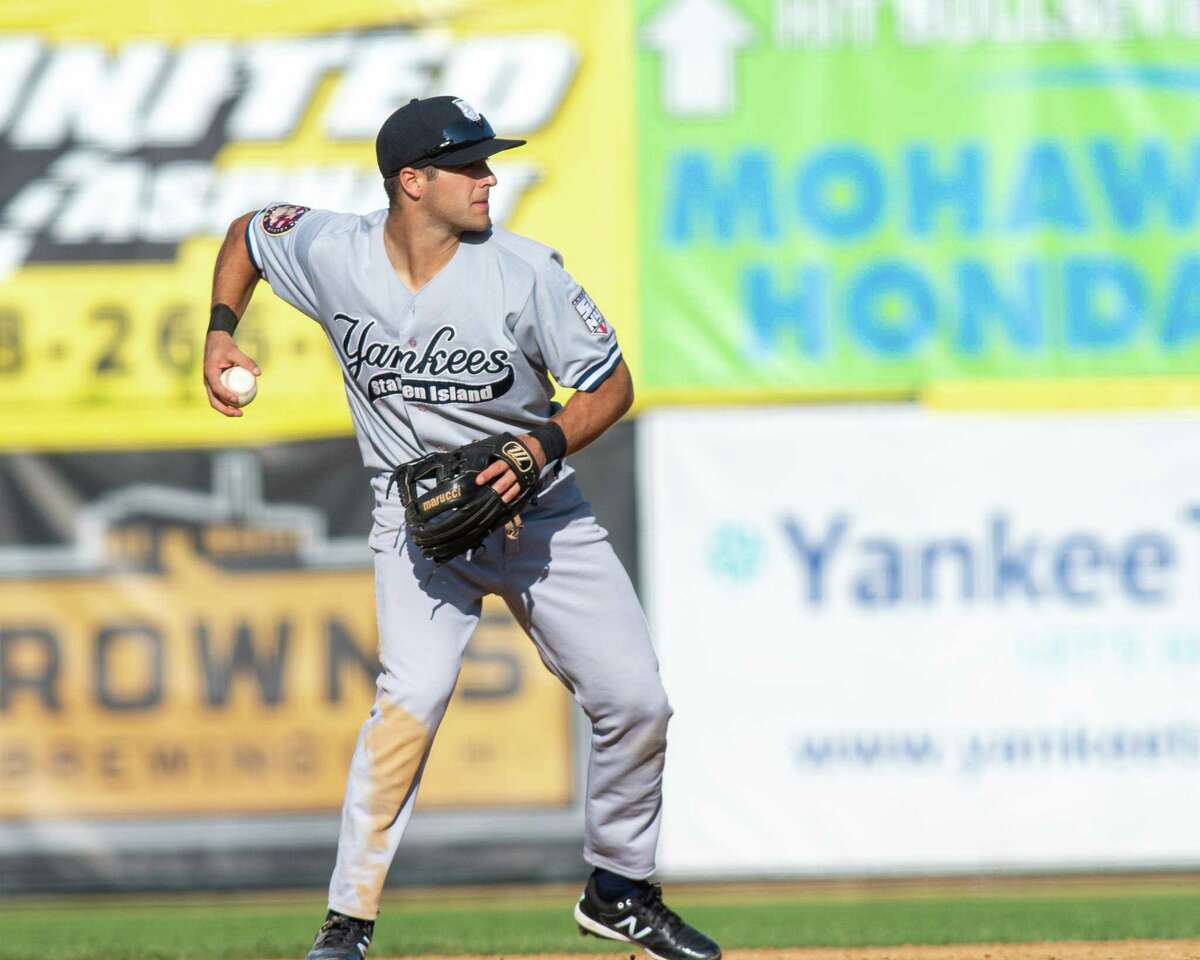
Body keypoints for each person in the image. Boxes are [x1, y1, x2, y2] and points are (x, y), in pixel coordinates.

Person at [202, 95, 721, 960]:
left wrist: (541, 443)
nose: (489, 178)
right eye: (469, 165)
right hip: (415, 521)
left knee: (636, 703)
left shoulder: (526, 274)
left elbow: (611, 383)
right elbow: (247, 234)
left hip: (541, 512)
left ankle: (620, 887)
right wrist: (220, 333)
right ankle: (346, 926)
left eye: (488, 162)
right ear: (413, 182)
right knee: (408, 703)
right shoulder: (334, 254)